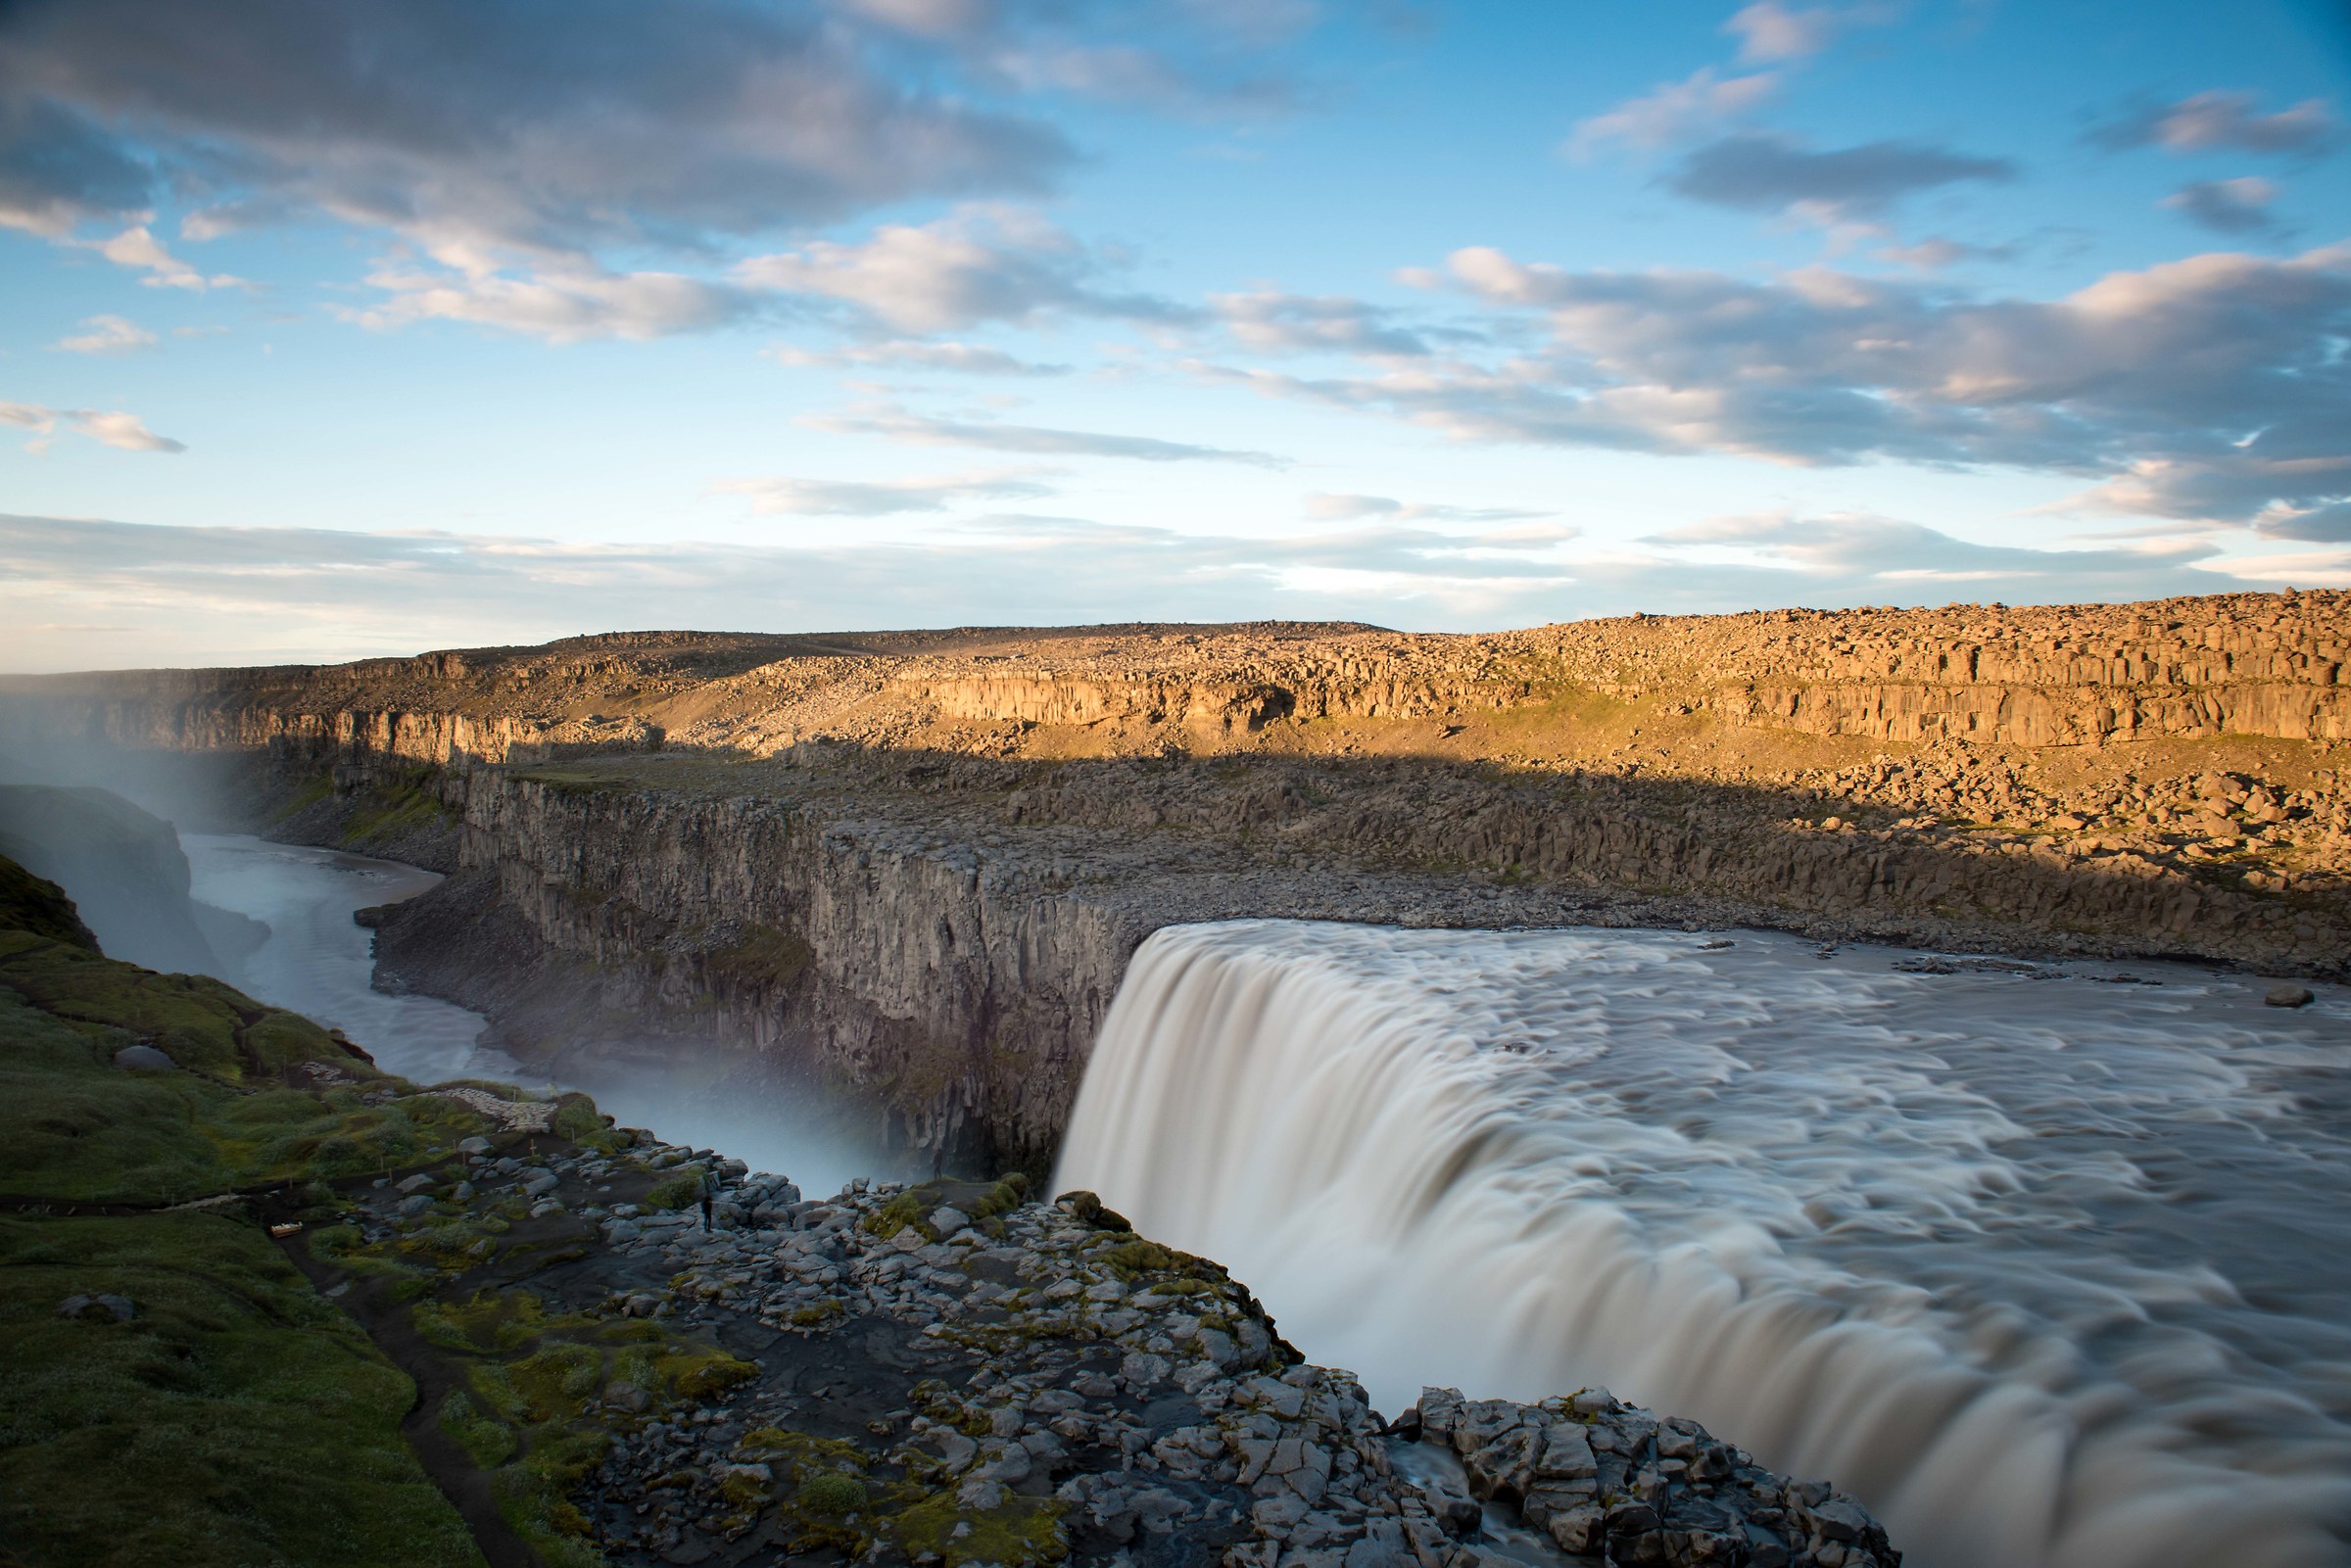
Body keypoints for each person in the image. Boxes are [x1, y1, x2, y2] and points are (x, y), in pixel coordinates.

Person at [698, 1165, 717, 1233]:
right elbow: (709, 1207)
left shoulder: (703, 1202)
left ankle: (706, 1229)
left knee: (706, 1220)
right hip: (707, 1212)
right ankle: (707, 1229)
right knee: (708, 1220)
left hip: (705, 1212)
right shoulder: (708, 1203)